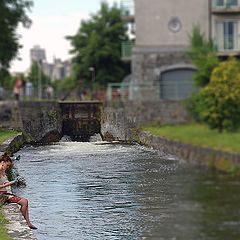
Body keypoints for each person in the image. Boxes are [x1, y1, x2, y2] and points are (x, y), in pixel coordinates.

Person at [0, 153, 37, 229]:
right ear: (3, 163)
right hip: (2, 195)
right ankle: (27, 223)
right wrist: (9, 184)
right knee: (24, 201)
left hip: (4, 193)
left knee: (25, 201)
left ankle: (28, 222)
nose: (7, 167)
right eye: (7, 165)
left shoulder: (2, 171)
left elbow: (3, 181)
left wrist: (7, 182)